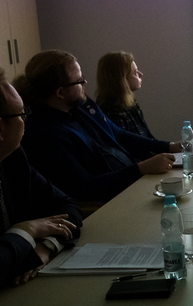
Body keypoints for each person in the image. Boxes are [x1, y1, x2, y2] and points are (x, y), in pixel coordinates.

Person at [14, 50, 179, 203]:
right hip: (108, 202)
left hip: (131, 183)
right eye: (79, 80)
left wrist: (169, 147)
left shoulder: (82, 106)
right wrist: (141, 169)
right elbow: (85, 188)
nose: (85, 82)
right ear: (60, 93)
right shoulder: (44, 134)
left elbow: (118, 134)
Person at [0, 67, 82, 298]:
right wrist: (24, 232)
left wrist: (46, 245)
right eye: (21, 113)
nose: (26, 119)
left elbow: (67, 205)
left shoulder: (12, 159)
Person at [96, 52, 155, 139]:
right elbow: (127, 147)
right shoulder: (110, 111)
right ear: (122, 79)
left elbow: (149, 139)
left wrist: (169, 147)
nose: (141, 74)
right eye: (135, 73)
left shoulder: (132, 104)